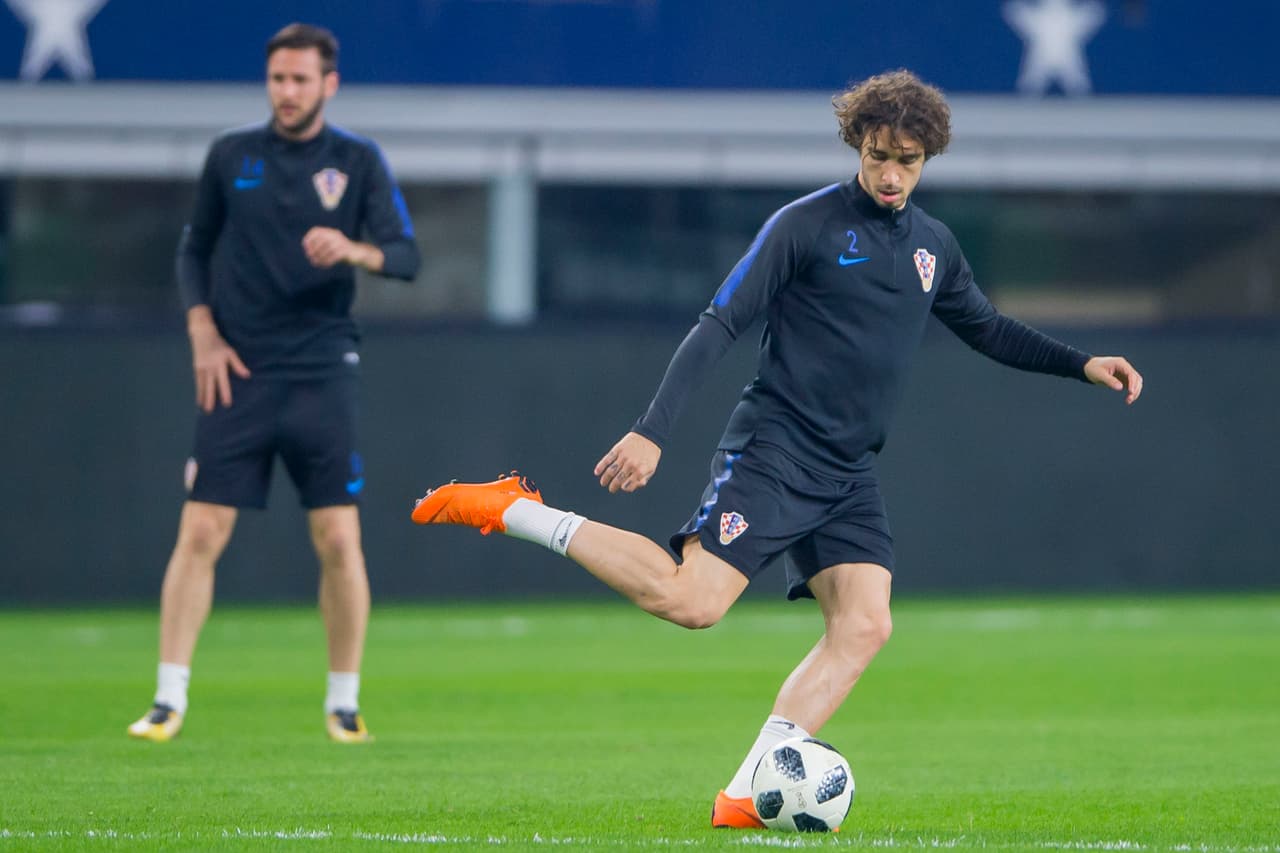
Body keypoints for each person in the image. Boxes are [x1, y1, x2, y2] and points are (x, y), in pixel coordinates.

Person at [410, 70, 1143, 823]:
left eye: (909, 160)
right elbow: (719, 323)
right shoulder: (807, 225)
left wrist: (1082, 363)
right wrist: (652, 430)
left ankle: (741, 794)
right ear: (857, 143)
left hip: (848, 469)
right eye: (879, 154)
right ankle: (517, 509)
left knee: (865, 624)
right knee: (691, 602)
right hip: (778, 448)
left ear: (928, 159)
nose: (891, 174)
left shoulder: (934, 247)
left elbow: (988, 327)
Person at [128, 23, 420, 744]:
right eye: (276, 79)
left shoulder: (356, 161)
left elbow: (408, 257)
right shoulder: (233, 156)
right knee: (200, 528)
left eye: (299, 79)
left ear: (329, 83)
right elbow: (194, 248)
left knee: (336, 537)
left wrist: (354, 249)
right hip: (239, 369)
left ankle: (344, 703)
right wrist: (202, 330)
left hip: (322, 368)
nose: (285, 91)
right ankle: (168, 698)